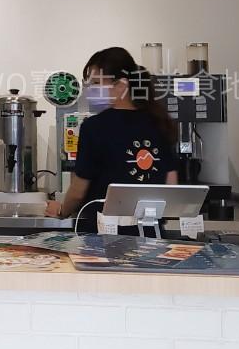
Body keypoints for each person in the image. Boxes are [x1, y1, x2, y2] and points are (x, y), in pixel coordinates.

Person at [45, 47, 177, 231]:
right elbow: (171, 183)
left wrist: (61, 210)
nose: (90, 90)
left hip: (103, 235)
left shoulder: (94, 127)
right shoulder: (159, 122)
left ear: (121, 86)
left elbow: (78, 191)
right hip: (150, 233)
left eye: (96, 83)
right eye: (89, 84)